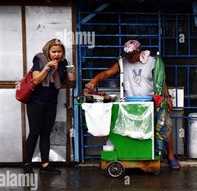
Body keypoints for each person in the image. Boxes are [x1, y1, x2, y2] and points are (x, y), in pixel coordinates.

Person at [85, 40, 180, 170]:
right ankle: (138, 155)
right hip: (131, 103)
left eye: (131, 55)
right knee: (135, 131)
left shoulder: (152, 62)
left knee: (164, 125)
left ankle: (170, 156)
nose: (128, 58)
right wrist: (94, 80)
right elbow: (107, 73)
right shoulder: (122, 62)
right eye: (126, 55)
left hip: (152, 102)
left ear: (138, 52)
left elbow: (161, 81)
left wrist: (167, 97)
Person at [24, 39, 76, 174]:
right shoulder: (40, 59)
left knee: (46, 133)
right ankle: (27, 164)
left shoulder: (63, 63)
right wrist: (47, 68)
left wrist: (71, 72)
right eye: (54, 52)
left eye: (59, 51)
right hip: (35, 103)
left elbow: (70, 80)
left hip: (51, 103)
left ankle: (45, 165)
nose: (57, 54)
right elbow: (35, 80)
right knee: (34, 132)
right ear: (48, 51)